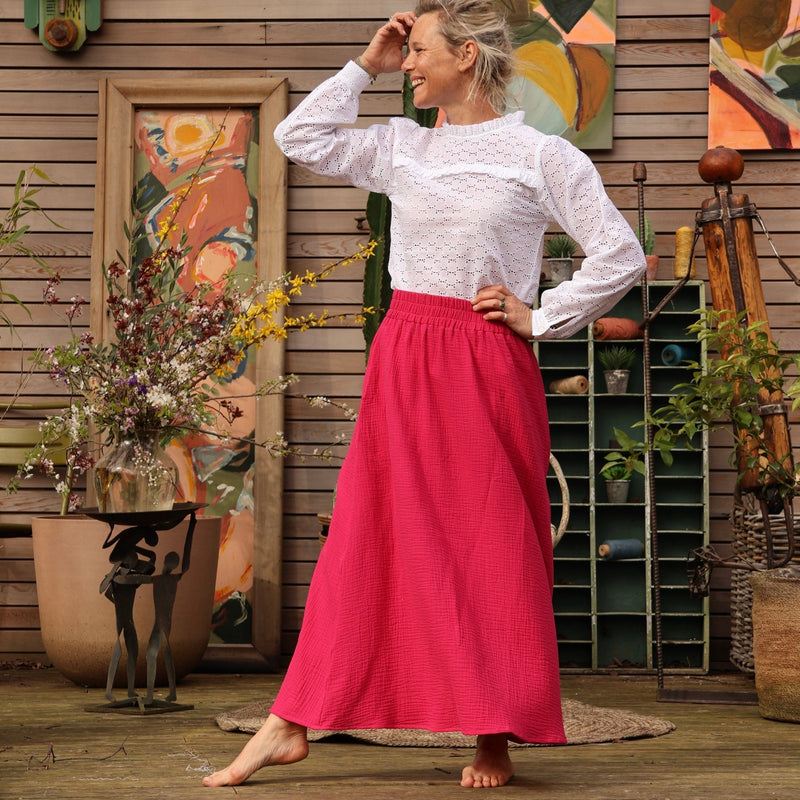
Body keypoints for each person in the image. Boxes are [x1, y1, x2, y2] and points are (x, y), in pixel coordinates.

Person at [204, 0, 645, 789]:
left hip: (485, 362)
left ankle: (493, 734)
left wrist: (542, 315)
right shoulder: (400, 146)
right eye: (402, 54)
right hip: (404, 354)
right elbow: (297, 137)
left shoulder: (540, 156)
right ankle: (291, 720)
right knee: (366, 535)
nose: (406, 64)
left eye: (418, 51)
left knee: (492, 544)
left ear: (466, 55)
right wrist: (364, 65)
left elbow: (620, 255)